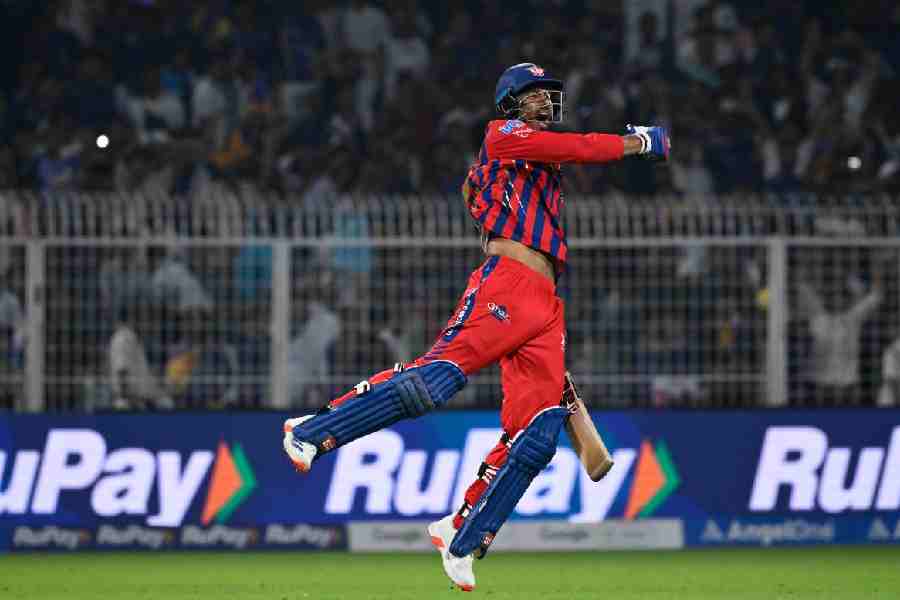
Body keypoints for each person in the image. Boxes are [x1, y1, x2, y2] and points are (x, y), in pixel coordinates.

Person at [282, 62, 669, 591]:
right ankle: (311, 432)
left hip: (546, 301)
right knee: (434, 382)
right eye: (533, 95)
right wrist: (639, 143)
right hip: (506, 282)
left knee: (538, 437)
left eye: (547, 96)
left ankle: (460, 535)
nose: (544, 103)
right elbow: (577, 149)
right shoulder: (502, 134)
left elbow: (496, 187)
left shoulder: (534, 165)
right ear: (510, 102)